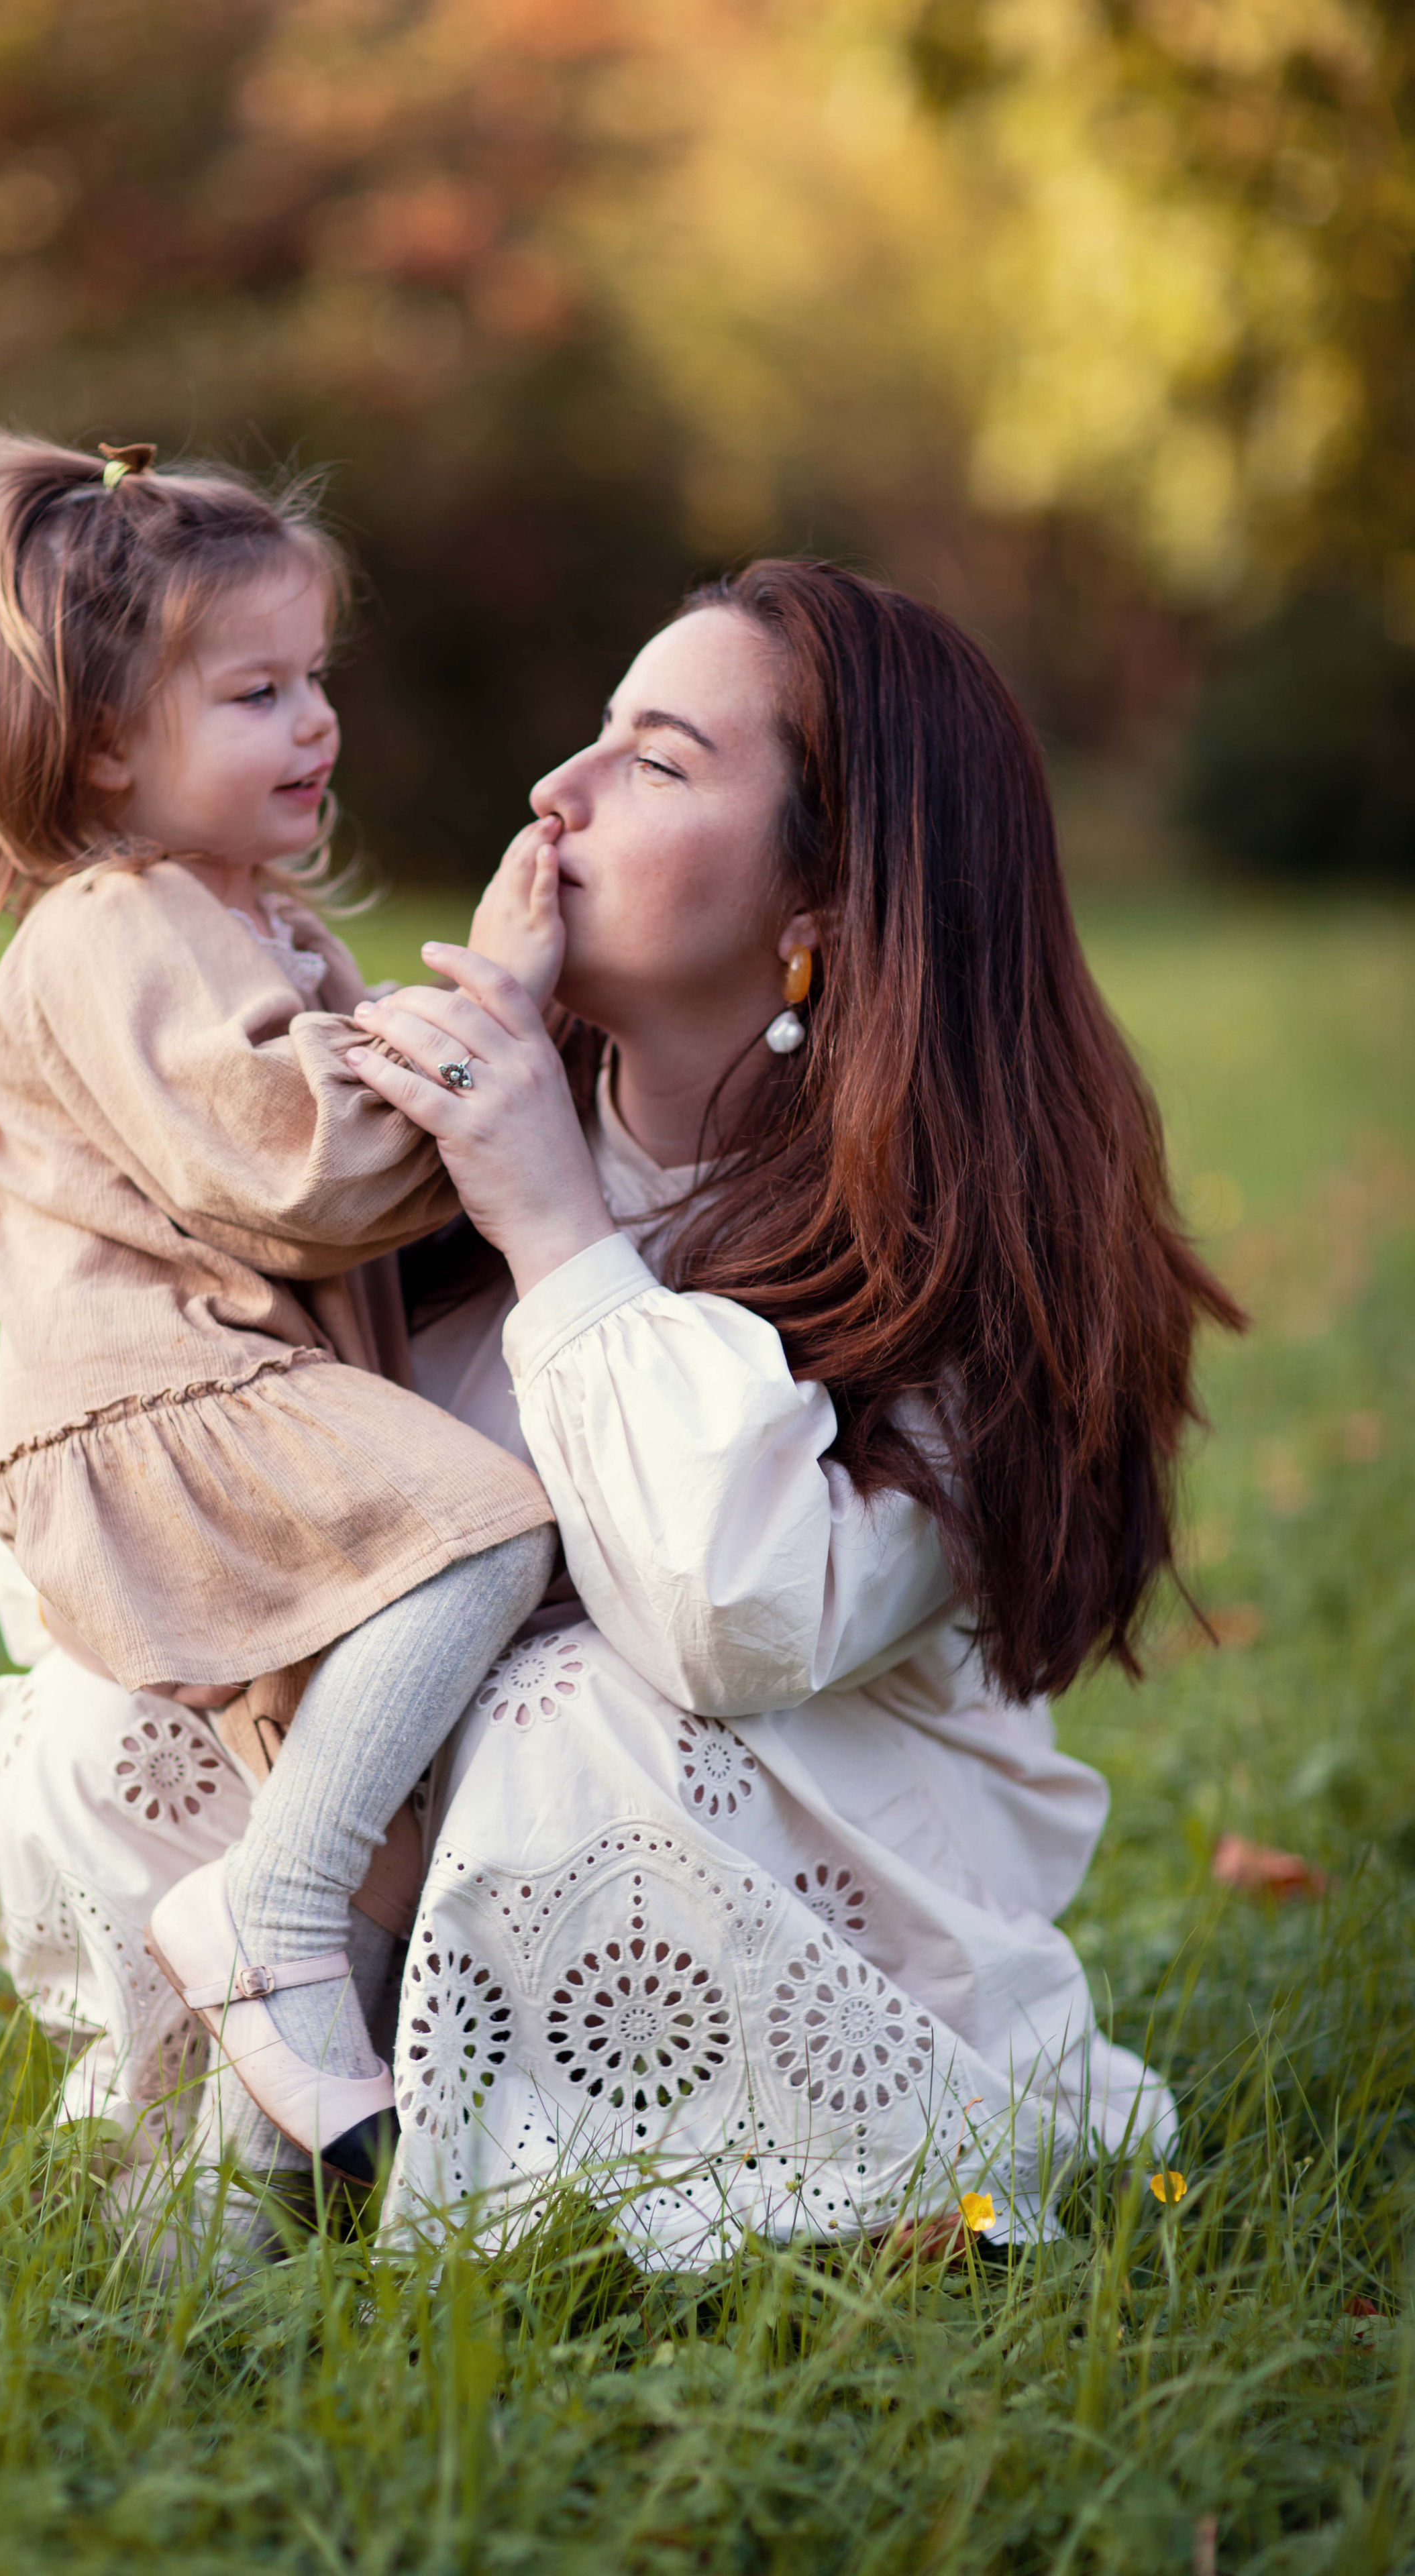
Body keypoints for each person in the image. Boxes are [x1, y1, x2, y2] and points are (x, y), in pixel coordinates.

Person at [342, 559, 1245, 2264]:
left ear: (822, 903)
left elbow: (729, 1619)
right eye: (595, 733)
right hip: (414, 1869)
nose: (556, 792)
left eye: (656, 761)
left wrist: (556, 1229)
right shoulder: (435, 1149)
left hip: (826, 1901)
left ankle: (744, 2179)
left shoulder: (967, 1256)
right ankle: (310, 2110)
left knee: (564, 1709)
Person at [0, 431, 556, 2187]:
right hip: (165, 1404)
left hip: (235, 1401)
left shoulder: (252, 922)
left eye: (317, 679)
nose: (317, 724)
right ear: (107, 742)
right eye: (258, 692)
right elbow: (300, 1164)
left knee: (370, 1850)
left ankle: (209, 2252)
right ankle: (260, 1916)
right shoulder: (119, 921)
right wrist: (500, 1018)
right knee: (484, 1537)